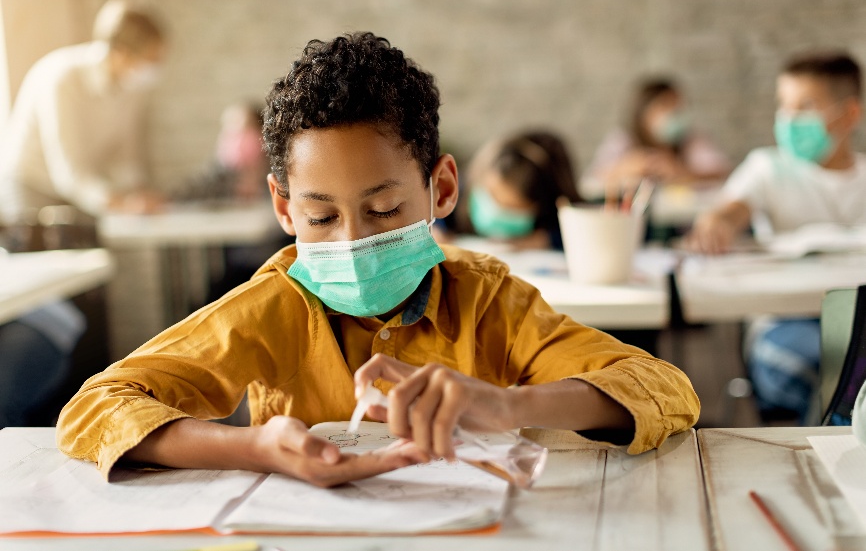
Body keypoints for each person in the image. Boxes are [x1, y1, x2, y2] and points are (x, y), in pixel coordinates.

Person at [57, 32, 700, 488]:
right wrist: (254, 446)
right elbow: (99, 406)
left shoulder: (488, 302)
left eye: (385, 210)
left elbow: (664, 388)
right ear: (284, 209)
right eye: (320, 217)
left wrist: (510, 406)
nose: (352, 242)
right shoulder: (273, 306)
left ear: (441, 189)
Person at [688, 51, 866, 422]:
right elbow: (730, 209)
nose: (789, 119)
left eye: (806, 106)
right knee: (837, 376)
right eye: (784, 105)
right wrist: (717, 224)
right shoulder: (768, 168)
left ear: (849, 114)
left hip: (858, 322)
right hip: (786, 325)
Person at [0, 0, 167, 225]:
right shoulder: (62, 79)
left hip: (79, 190)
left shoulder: (132, 87)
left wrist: (137, 192)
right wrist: (120, 204)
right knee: (49, 256)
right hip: (31, 184)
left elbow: (125, 153)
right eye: (149, 59)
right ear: (121, 52)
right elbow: (69, 173)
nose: (153, 68)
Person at [439, 130, 581, 250]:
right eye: (491, 196)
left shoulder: (558, 223)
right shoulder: (454, 194)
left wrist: (546, 240)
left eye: (510, 210)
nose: (496, 211)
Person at [585, 77, 731, 191]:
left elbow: (721, 173)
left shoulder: (692, 139)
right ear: (644, 112)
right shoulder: (623, 139)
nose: (674, 113)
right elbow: (592, 180)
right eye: (665, 106)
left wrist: (682, 173)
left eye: (678, 106)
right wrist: (625, 168)